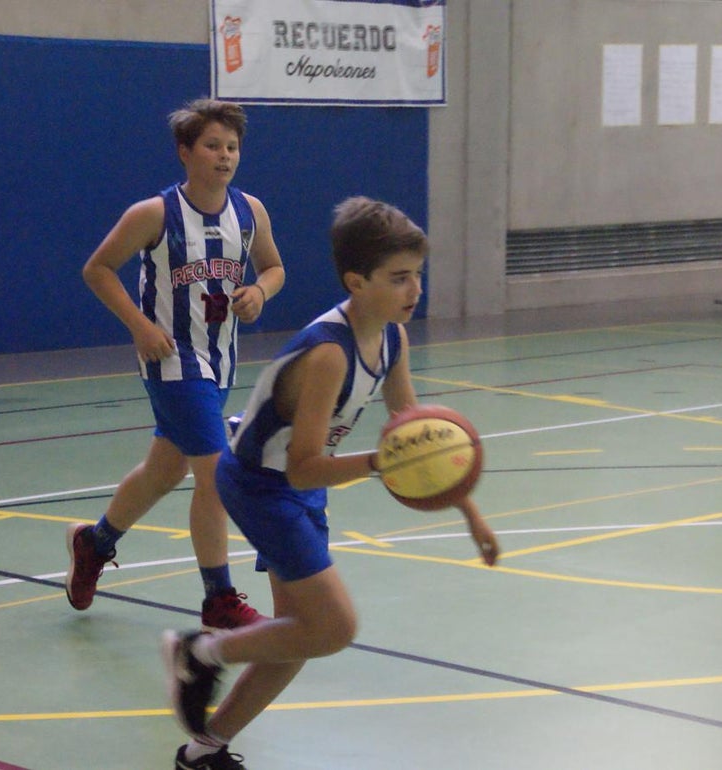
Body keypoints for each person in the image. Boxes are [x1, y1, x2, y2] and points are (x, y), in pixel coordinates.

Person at [160, 197, 500, 769]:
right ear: (356, 281)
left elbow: (416, 435)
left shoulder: (392, 338)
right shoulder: (328, 355)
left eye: (417, 275)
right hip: (260, 485)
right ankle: (202, 652)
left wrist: (470, 513)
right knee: (335, 627)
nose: (414, 289)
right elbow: (304, 466)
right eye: (399, 278)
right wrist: (379, 463)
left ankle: (204, 749)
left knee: (302, 635)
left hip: (296, 487)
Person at [65, 99, 285, 631]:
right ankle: (219, 599)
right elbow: (97, 270)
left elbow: (275, 268)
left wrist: (259, 290)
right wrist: (140, 326)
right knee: (217, 478)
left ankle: (95, 544)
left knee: (164, 472)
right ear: (186, 152)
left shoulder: (250, 211)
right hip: (172, 361)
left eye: (232, 147)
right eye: (213, 146)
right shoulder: (154, 214)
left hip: (220, 360)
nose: (225, 156)